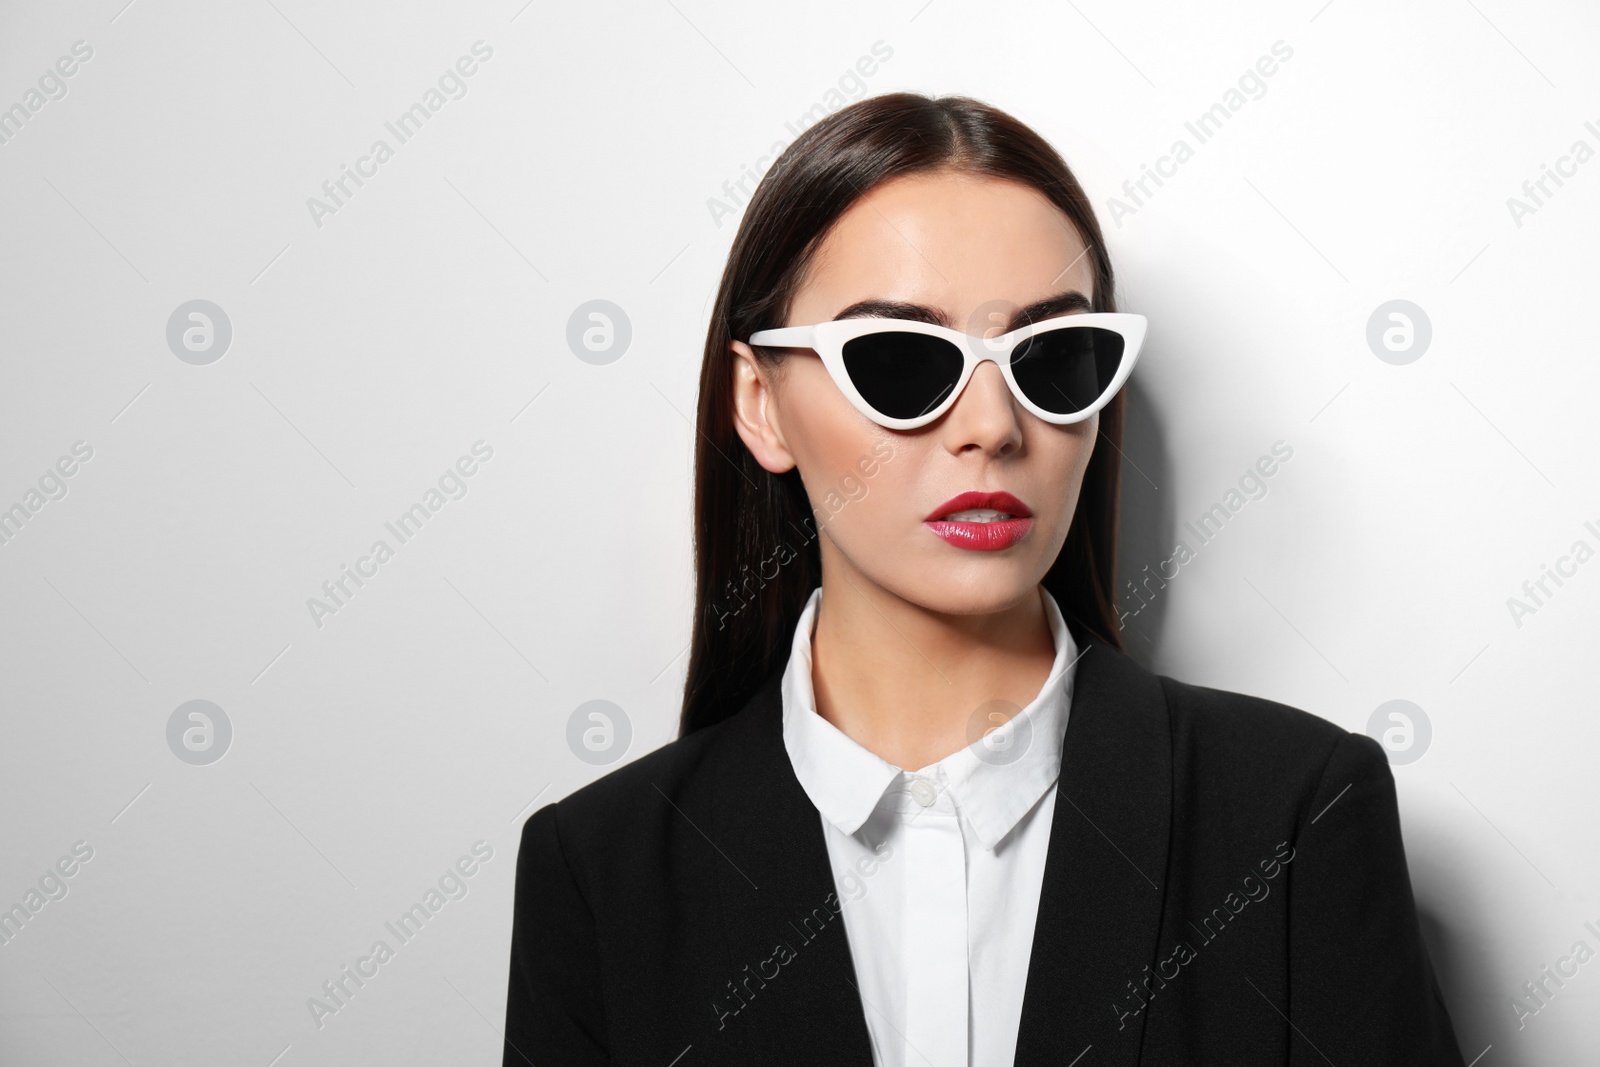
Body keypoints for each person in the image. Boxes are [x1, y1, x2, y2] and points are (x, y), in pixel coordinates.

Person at [501, 91, 1466, 1066]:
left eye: (1052, 357)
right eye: (901, 361)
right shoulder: (598, 872)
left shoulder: (1294, 817)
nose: (993, 426)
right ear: (761, 403)